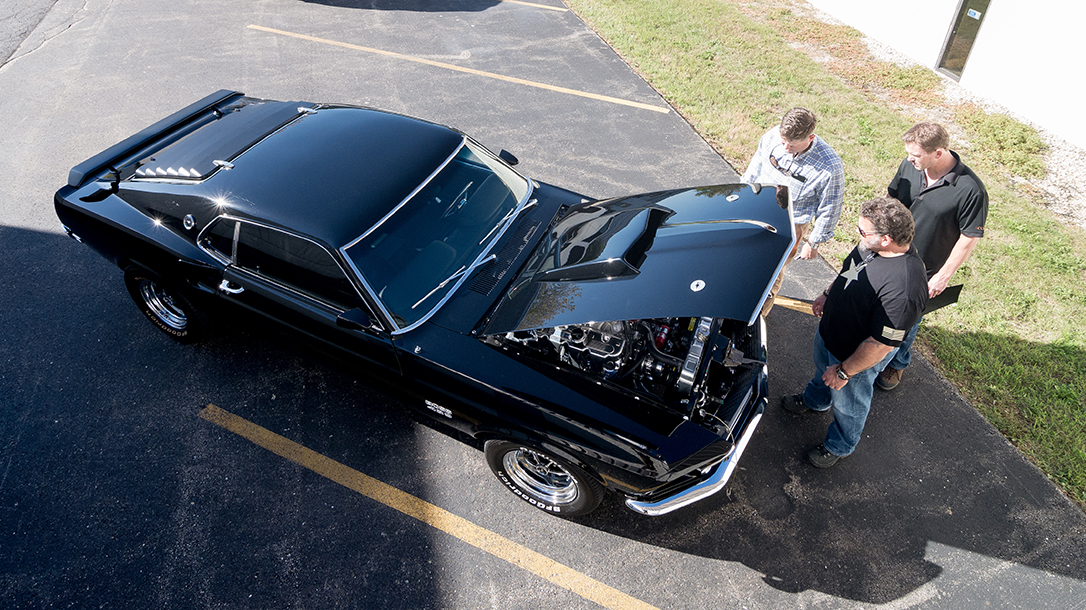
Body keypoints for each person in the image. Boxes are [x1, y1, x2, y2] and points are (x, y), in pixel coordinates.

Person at [781, 197, 928, 468]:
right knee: (820, 371)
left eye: (863, 231)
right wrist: (828, 292)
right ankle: (816, 400)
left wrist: (844, 372)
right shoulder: (871, 245)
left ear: (886, 239)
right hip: (831, 334)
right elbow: (850, 269)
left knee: (850, 404)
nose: (858, 235)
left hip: (854, 359)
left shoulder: (905, 286)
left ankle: (840, 444)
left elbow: (881, 345)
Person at [878, 123, 988, 390]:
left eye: (915, 155)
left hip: (924, 269)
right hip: (890, 253)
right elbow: (891, 199)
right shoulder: (911, 167)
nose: (909, 159)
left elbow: (969, 237)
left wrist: (943, 277)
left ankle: (897, 362)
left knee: (908, 318)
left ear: (938, 153)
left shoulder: (971, 190)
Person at [741, 107, 846, 317]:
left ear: (811, 138)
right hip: (759, 206)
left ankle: (755, 318)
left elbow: (830, 207)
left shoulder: (829, 166)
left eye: (793, 145)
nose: (786, 148)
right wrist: (742, 193)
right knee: (743, 255)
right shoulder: (772, 136)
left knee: (772, 271)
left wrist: (813, 242)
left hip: (792, 222)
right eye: (783, 142)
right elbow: (756, 166)